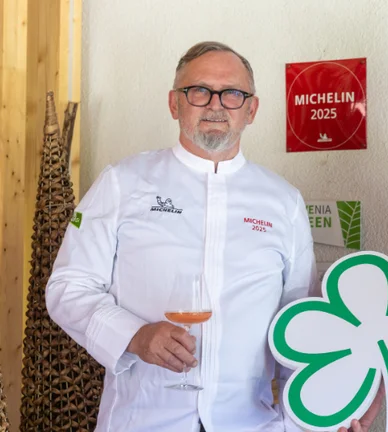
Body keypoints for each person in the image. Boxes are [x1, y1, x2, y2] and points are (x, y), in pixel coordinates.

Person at [47, 41, 317, 431]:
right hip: (143, 421)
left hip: (250, 423)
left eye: (233, 94)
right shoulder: (122, 183)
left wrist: (317, 416)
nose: (216, 105)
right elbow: (68, 287)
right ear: (174, 104)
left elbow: (301, 322)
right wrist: (135, 336)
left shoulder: (283, 202)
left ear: (252, 110)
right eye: (199, 91)